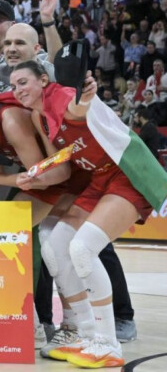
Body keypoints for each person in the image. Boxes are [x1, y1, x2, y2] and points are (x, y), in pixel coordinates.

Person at [11, 60, 167, 367]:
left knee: (82, 249)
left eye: (23, 82)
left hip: (126, 173)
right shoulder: (38, 116)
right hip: (98, 178)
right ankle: (84, 335)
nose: (17, 90)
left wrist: (84, 95)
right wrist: (35, 178)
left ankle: (108, 343)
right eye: (13, 85)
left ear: (43, 80)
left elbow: (77, 105)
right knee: (55, 247)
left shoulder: (61, 96)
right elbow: (60, 164)